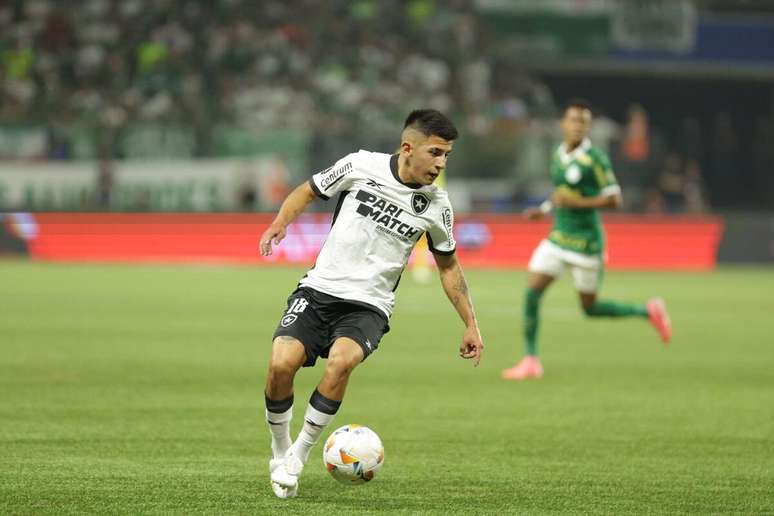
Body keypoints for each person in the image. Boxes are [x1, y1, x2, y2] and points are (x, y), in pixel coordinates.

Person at [259, 109, 484, 498]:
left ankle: (298, 455)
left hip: (369, 305)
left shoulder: (436, 205)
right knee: (280, 365)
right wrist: (281, 221)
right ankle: (280, 448)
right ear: (407, 147)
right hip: (318, 290)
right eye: (435, 152)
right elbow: (307, 190)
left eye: (447, 155)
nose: (441, 163)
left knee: (342, 361)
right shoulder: (360, 165)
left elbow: (449, 267)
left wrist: (471, 323)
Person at [501, 99, 672, 381]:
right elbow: (561, 194)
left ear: (588, 127)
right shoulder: (558, 154)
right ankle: (531, 360)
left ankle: (648, 311)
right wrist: (543, 210)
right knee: (532, 292)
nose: (578, 126)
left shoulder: (596, 160)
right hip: (558, 237)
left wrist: (577, 203)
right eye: (574, 120)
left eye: (584, 122)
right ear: (563, 124)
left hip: (587, 243)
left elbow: (615, 200)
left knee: (590, 308)